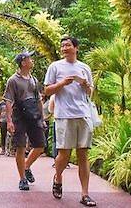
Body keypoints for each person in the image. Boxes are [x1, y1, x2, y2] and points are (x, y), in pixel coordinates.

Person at [44, 36, 97, 207]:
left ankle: (85, 194)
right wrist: (62, 83)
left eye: (68, 45)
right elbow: (46, 90)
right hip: (64, 115)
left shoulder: (84, 67)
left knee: (83, 154)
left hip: (83, 114)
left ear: (76, 48)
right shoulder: (55, 66)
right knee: (64, 155)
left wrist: (85, 86)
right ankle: (58, 177)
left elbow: (90, 92)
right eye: (62, 46)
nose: (64, 48)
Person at [4, 51, 46, 191]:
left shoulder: (33, 79)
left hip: (33, 115)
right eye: (30, 59)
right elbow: (8, 101)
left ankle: (26, 166)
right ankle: (22, 179)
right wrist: (9, 121)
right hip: (19, 116)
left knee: (40, 145)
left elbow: (39, 99)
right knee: (21, 146)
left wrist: (42, 117)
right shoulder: (13, 80)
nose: (32, 60)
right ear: (23, 62)